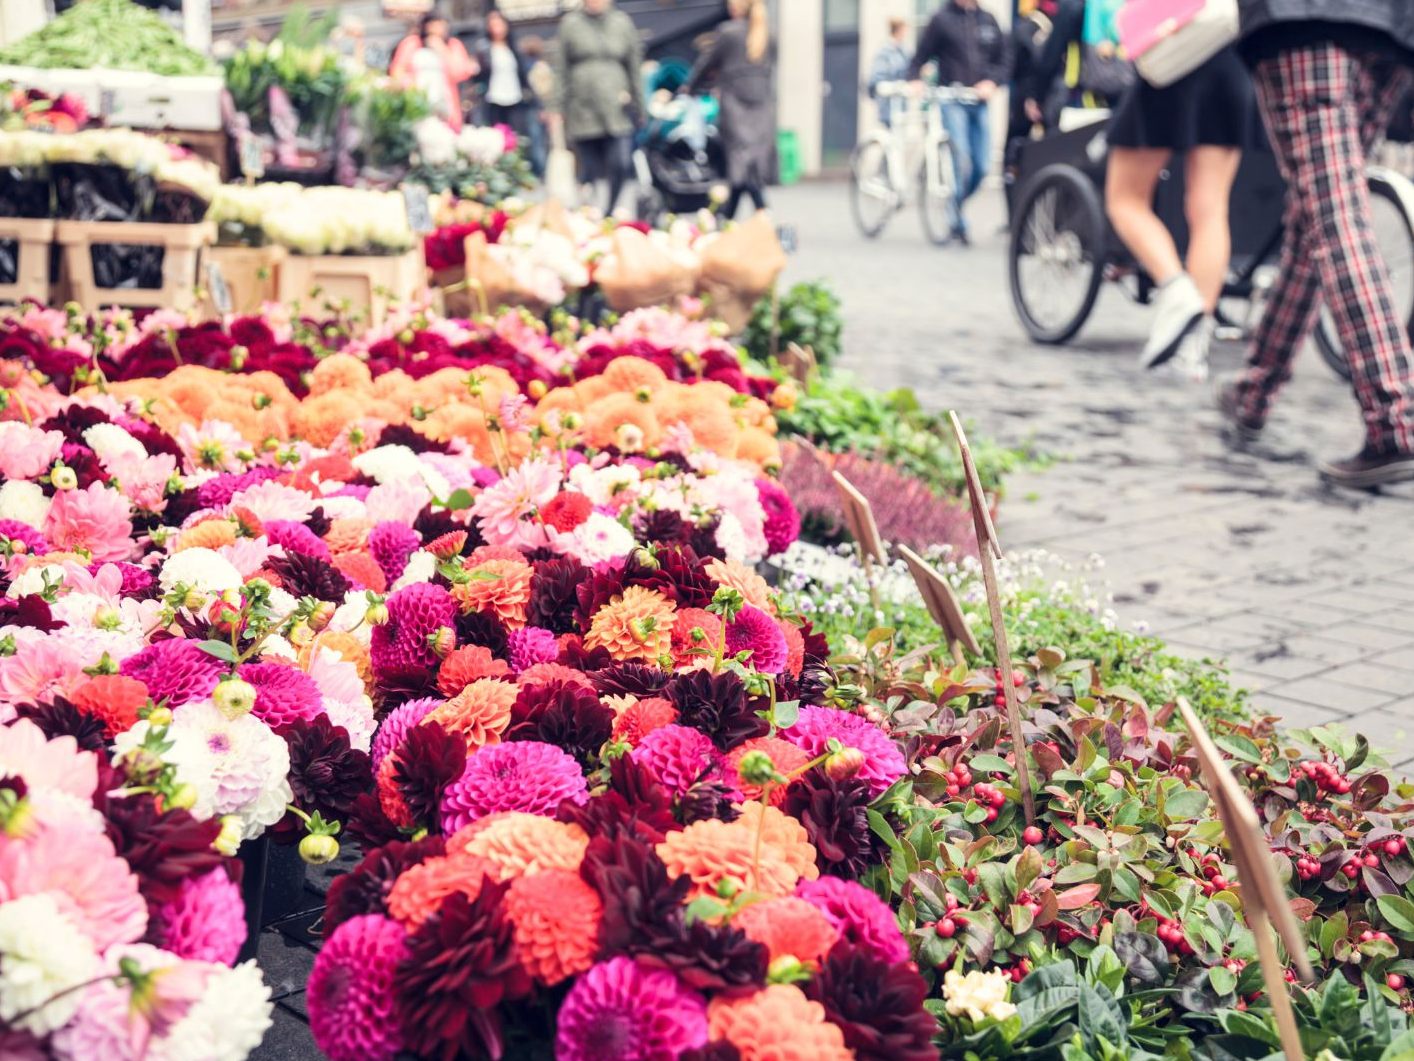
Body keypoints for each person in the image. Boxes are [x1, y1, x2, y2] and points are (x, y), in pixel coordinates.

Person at [1216, 1, 1414, 486]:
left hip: (1305, 18)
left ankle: (1396, 422)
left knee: (1335, 215)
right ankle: (1254, 392)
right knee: (1318, 212)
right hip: (1391, 25)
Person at [1105, 49, 1255, 372]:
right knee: (1211, 210)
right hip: (1231, 68)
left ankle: (1177, 291)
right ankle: (1192, 347)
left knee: (1125, 199)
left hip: (1174, 62)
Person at [908, 0, 1011, 245]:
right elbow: (920, 56)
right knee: (961, 162)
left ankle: (953, 205)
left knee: (982, 167)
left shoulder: (988, 20)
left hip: (979, 101)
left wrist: (993, 82)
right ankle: (957, 222)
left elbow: (1004, 59)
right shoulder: (941, 19)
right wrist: (914, 79)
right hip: (951, 99)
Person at [549, 0, 645, 216]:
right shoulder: (571, 24)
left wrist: (640, 106)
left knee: (621, 162)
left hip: (616, 107)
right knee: (589, 169)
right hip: (583, 107)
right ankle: (590, 211)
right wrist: (556, 106)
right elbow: (561, 68)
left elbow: (634, 67)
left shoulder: (621, 22)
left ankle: (610, 208)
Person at [687, 0, 775, 220]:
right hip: (761, 107)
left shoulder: (728, 32)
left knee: (740, 166)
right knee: (748, 167)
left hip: (735, 106)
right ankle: (729, 219)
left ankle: (760, 215)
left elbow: (706, 63)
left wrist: (689, 87)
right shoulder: (767, 34)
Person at [390, 12, 478, 132]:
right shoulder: (411, 43)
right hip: (418, 102)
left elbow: (460, 73)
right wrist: (409, 86)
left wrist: (442, 49)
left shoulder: (453, 45)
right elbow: (397, 70)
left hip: (445, 104)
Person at [474, 10, 530, 131]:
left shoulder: (513, 47)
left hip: (514, 96)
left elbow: (522, 72)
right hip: (493, 97)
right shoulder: (484, 48)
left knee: (517, 133)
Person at [867, 18, 913, 128]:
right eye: (904, 31)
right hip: (889, 105)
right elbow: (877, 78)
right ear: (898, 31)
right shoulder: (885, 52)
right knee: (891, 136)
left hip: (901, 105)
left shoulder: (904, 51)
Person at [522, 35, 553, 177]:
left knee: (536, 140)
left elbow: (539, 90)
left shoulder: (530, 67)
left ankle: (541, 171)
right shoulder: (542, 66)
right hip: (541, 107)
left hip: (535, 107)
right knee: (541, 140)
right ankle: (543, 170)